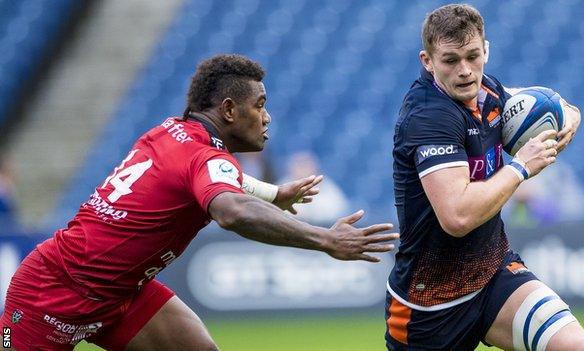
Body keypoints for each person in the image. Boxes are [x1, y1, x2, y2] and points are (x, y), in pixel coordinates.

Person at [0, 54, 399, 350]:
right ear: (228, 109)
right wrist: (325, 240)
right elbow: (232, 209)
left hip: (121, 294)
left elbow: (219, 178)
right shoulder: (205, 157)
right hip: (51, 292)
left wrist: (274, 194)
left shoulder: (171, 132)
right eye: (259, 105)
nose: (267, 117)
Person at [385, 4, 584, 351]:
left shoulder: (489, 91)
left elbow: (550, 103)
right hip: (430, 307)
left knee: (577, 348)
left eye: (473, 56)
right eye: (451, 60)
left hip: (494, 276)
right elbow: (457, 217)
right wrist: (520, 168)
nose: (466, 71)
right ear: (428, 61)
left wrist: (570, 114)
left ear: (486, 50)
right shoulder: (428, 117)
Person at [281, 151, 350, 224]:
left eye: (306, 165)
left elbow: (338, 213)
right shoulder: (282, 187)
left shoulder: (328, 189)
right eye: (300, 165)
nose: (303, 169)